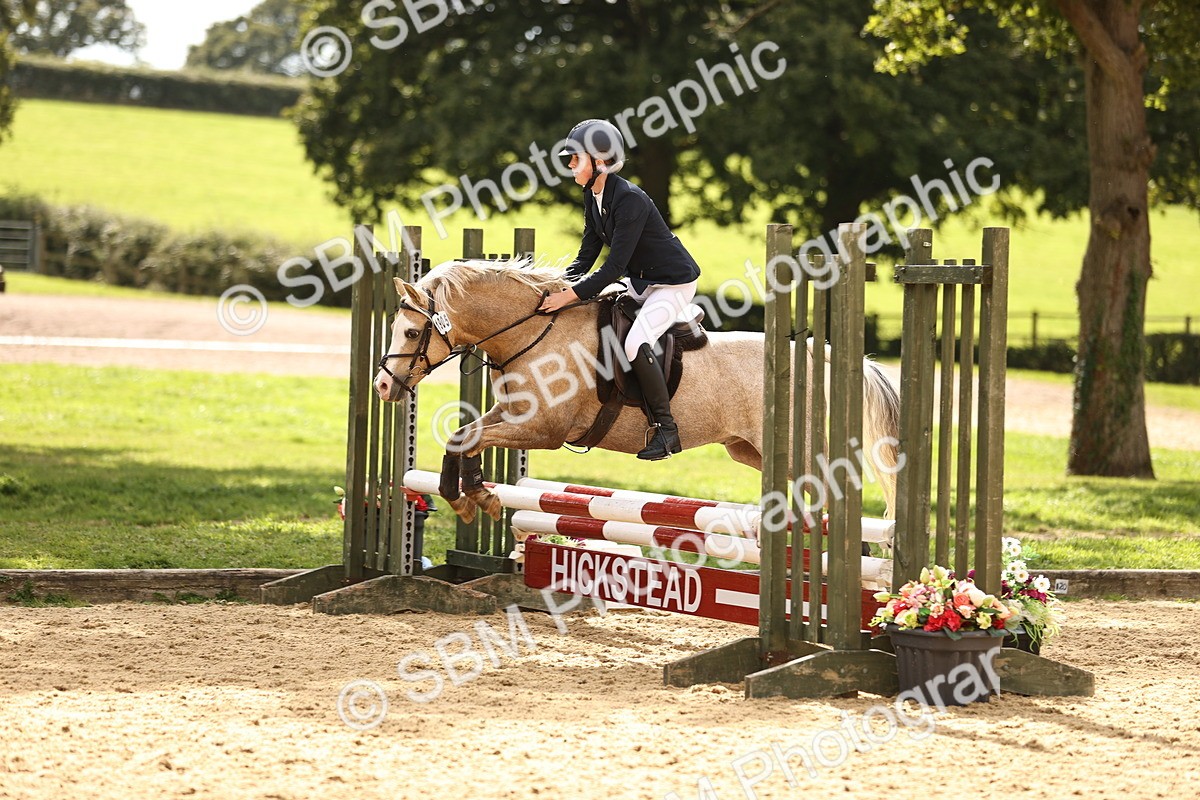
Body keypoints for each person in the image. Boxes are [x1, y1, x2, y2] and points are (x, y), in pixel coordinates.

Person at [539, 119, 701, 460]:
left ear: (601, 161)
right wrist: (558, 284)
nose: (569, 165)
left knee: (635, 342)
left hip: (672, 283)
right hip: (639, 279)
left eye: (575, 158)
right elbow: (587, 254)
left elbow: (611, 267)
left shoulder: (630, 200)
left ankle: (667, 430)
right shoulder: (593, 194)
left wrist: (567, 297)